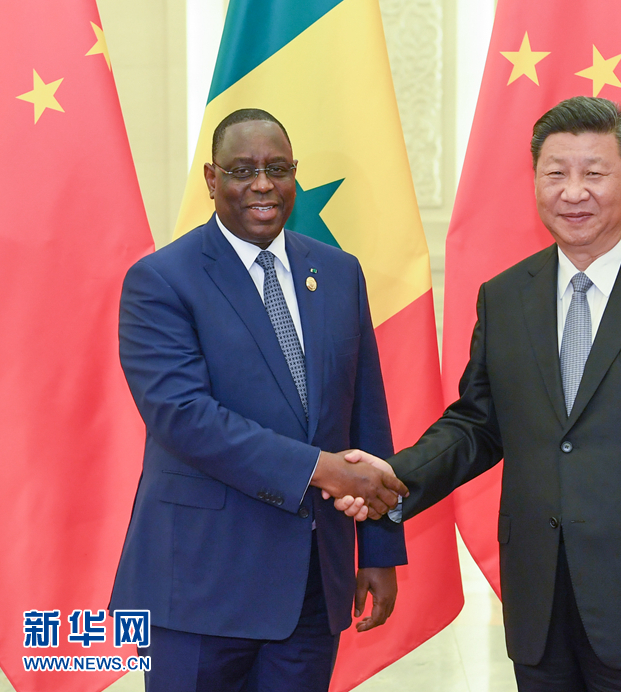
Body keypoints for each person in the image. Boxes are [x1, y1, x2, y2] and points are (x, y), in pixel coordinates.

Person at [339, 97, 621, 691]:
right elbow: (477, 424)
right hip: (542, 607)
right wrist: (392, 478)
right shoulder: (506, 297)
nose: (574, 192)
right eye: (556, 173)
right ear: (536, 180)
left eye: (594, 172)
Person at [109, 108, 408, 692]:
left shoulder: (339, 273)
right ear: (211, 179)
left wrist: (379, 547)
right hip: (199, 586)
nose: (263, 185)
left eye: (278, 168)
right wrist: (319, 469)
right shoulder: (162, 280)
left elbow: (365, 416)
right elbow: (183, 417)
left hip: (312, 586)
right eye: (242, 170)